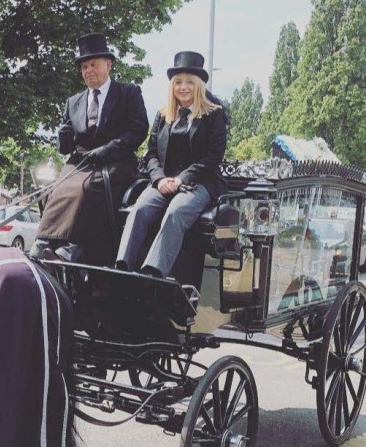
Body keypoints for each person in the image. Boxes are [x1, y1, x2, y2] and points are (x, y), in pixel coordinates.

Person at [32, 33, 148, 264]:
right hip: (81, 162)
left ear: (108, 64)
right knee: (57, 188)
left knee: (85, 188)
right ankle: (43, 242)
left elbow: (138, 130)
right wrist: (62, 139)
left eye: (93, 64)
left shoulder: (128, 93)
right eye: (84, 67)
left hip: (116, 161)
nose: (88, 71)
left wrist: (108, 150)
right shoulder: (73, 101)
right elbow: (65, 149)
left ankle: (73, 247)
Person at [115, 51, 227, 279]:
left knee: (176, 211)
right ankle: (122, 268)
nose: (183, 87)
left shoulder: (213, 114)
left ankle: (153, 273)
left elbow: (213, 157)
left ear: (198, 85)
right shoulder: (163, 115)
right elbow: (151, 153)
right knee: (140, 209)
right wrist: (159, 179)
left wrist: (181, 179)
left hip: (198, 183)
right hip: (164, 182)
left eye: (189, 82)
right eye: (178, 82)